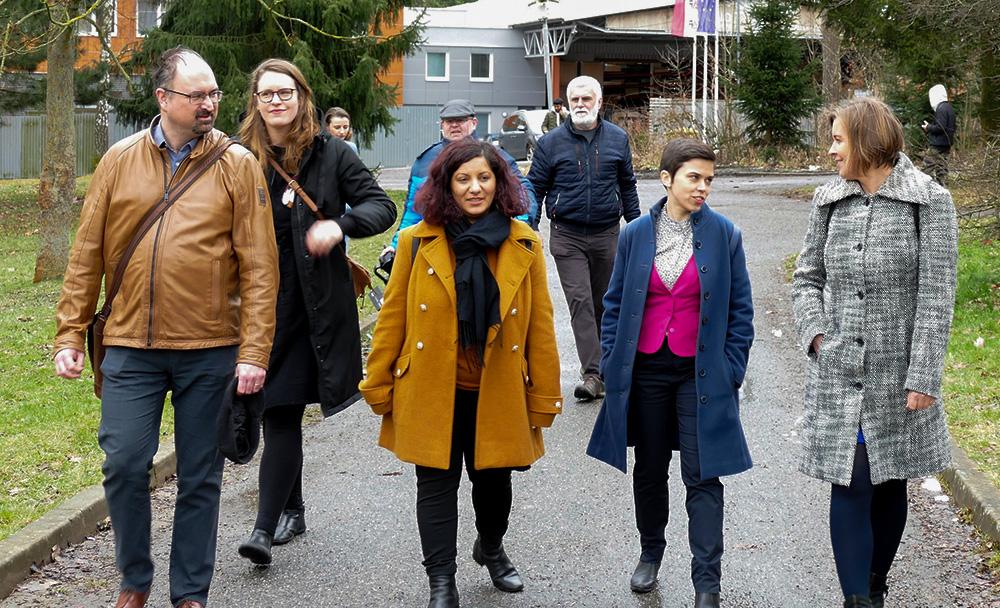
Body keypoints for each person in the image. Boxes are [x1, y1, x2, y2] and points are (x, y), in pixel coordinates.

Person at [52, 47, 278, 608]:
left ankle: (190, 592)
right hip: (130, 344)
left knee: (201, 475)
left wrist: (254, 351)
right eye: (196, 95)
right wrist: (70, 334)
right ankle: (134, 580)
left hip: (211, 347)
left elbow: (259, 266)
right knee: (125, 464)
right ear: (163, 98)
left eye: (214, 94)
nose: (209, 104)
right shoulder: (118, 160)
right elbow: (85, 254)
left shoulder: (238, 164)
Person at [360, 138, 563, 608]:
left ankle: (490, 547)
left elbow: (540, 327)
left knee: (494, 487)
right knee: (435, 486)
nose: (475, 188)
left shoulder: (524, 242)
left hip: (497, 387)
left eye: (484, 178)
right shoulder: (417, 240)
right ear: (447, 186)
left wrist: (544, 396)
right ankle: (441, 581)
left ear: (499, 183)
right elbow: (393, 318)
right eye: (463, 179)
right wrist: (378, 381)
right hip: (432, 386)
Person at [792, 97, 958, 608]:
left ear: (866, 141)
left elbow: (936, 294)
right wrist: (818, 337)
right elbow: (806, 278)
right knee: (853, 479)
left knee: (888, 482)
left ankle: (877, 582)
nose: (832, 149)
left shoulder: (929, 202)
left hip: (897, 374)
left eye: (839, 139)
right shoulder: (828, 200)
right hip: (841, 371)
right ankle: (857, 599)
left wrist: (924, 376)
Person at [234, 59, 397, 566]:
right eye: (267, 95)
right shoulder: (240, 158)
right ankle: (293, 508)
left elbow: (380, 206)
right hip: (261, 305)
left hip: (316, 309)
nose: (276, 102)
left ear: (302, 97)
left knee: (280, 406)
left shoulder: (333, 154)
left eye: (285, 92)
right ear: (256, 103)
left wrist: (339, 226)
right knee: (276, 406)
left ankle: (263, 529)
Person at [587, 139, 754, 608]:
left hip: (699, 374)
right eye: (693, 177)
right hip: (646, 373)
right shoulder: (635, 234)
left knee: (703, 475)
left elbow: (741, 313)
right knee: (651, 468)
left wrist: (731, 370)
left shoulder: (725, 235)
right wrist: (613, 360)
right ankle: (650, 552)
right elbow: (614, 303)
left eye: (709, 180)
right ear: (667, 178)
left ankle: (707, 581)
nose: (703, 187)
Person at [527, 75, 641, 401]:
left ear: (599, 103)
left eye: (586, 99)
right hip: (567, 236)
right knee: (580, 304)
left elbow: (628, 185)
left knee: (604, 304)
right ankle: (593, 374)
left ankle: (607, 368)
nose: (579, 105)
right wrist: (529, 227)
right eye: (574, 99)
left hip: (608, 234)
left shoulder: (618, 139)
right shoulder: (550, 144)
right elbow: (535, 187)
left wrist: (636, 228)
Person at [382, 99, 536, 258]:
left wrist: (520, 227)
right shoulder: (424, 161)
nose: (454, 125)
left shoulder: (495, 157)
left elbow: (522, 195)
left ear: (474, 122)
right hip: (439, 249)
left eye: (460, 120)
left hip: (488, 245)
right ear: (442, 125)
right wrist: (396, 245)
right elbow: (413, 212)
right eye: (449, 121)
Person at [921, 84, 956, 186]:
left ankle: (924, 185)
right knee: (942, 165)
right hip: (947, 143)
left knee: (928, 164)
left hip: (938, 144)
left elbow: (940, 127)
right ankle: (942, 186)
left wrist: (928, 127)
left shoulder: (941, 108)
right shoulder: (949, 107)